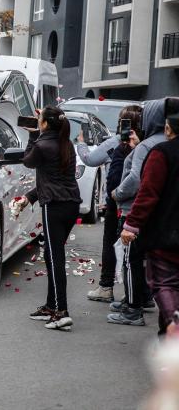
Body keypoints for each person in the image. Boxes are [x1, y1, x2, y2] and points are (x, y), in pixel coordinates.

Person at [16, 106, 82, 331]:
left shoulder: (43, 145)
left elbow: (28, 160)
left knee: (55, 259)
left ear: (44, 124)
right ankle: (50, 305)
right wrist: (30, 197)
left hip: (53, 206)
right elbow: (54, 178)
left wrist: (32, 135)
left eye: (39, 118)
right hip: (71, 204)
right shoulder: (67, 144)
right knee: (53, 254)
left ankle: (61, 312)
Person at [77, 105, 143, 303]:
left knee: (111, 242)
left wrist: (81, 143)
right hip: (143, 202)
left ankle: (106, 286)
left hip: (117, 200)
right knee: (137, 248)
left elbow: (89, 159)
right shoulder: (147, 144)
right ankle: (140, 293)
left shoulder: (114, 143)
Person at [110, 99, 167, 326]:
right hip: (159, 213)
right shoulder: (163, 143)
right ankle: (139, 299)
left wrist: (117, 193)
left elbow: (137, 179)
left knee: (131, 259)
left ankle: (133, 308)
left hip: (134, 210)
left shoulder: (148, 145)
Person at [121, 113, 179, 336]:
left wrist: (131, 225)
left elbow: (148, 193)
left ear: (168, 130)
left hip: (165, 234)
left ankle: (174, 327)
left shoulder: (162, 153)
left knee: (164, 284)